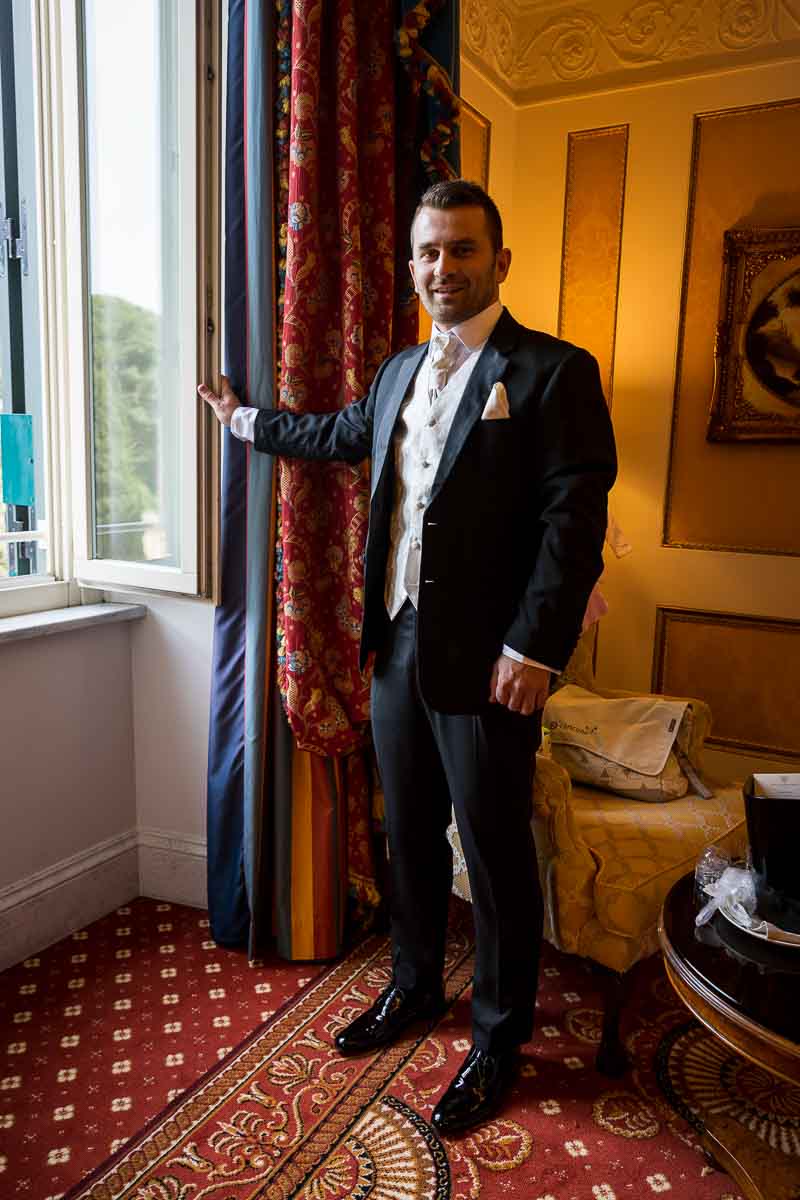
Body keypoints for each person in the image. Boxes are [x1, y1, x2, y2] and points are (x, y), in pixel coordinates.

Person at [199, 179, 617, 1134]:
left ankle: (501, 1035)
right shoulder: (395, 373)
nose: (442, 268)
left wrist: (534, 649)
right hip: (396, 647)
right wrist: (243, 422)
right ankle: (417, 987)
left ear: (499, 260)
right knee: (409, 836)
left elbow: (572, 525)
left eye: (462, 250)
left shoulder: (554, 372)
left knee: (498, 852)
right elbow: (338, 436)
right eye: (429, 252)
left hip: (493, 660)